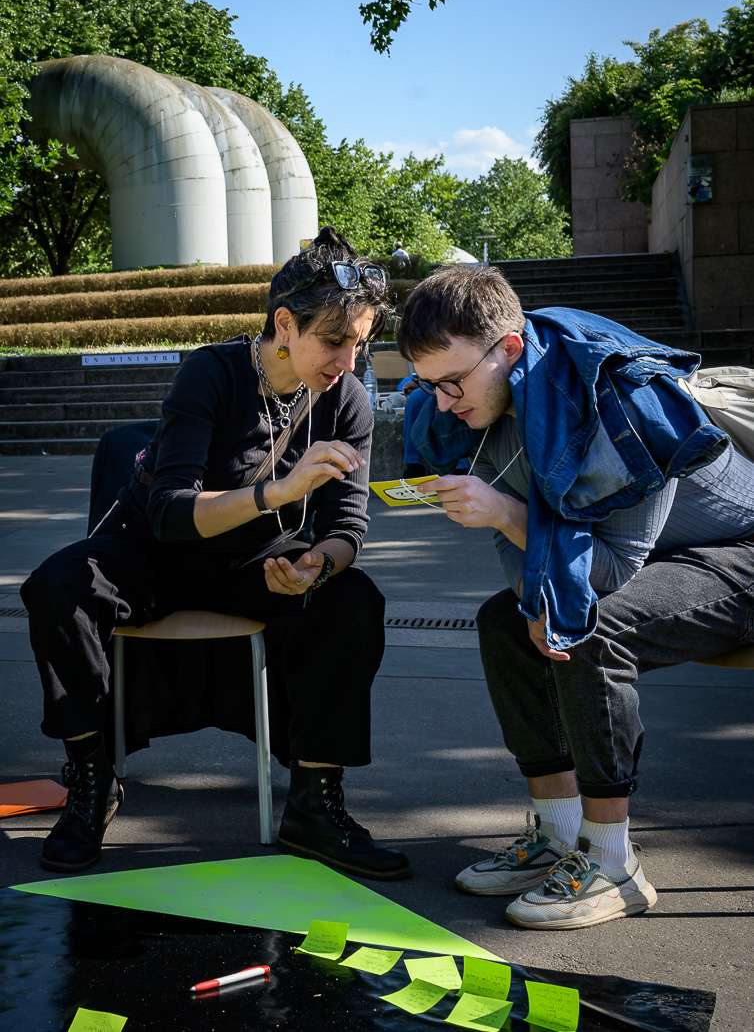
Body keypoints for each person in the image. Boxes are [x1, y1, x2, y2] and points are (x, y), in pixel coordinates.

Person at [21, 227, 410, 882]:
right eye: (335, 340)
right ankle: (91, 778)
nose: (348, 361)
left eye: (360, 345)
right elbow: (171, 508)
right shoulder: (212, 371)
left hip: (257, 561)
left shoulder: (345, 399)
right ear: (284, 324)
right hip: (160, 550)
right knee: (60, 585)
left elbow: (347, 521)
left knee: (352, 599)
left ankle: (315, 802)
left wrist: (320, 564)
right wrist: (277, 491)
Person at [397, 264, 754, 930]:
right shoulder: (498, 397)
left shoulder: (619, 397)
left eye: (452, 383)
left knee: (589, 625)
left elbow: (611, 569)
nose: (442, 403)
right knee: (505, 622)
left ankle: (612, 862)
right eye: (428, 385)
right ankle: (560, 835)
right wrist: (530, 586)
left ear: (507, 349)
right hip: (663, 556)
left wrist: (506, 515)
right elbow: (532, 562)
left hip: (741, 552)